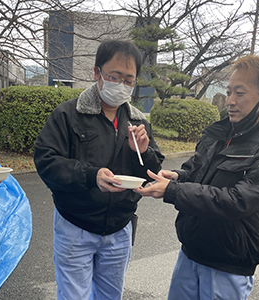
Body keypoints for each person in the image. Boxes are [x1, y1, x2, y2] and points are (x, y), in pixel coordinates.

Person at [135, 55, 259, 300]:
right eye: (229, 92)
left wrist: (172, 190)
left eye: (240, 94)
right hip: (190, 252)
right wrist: (177, 176)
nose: (230, 101)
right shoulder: (218, 133)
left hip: (229, 266)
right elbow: (196, 171)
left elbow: (239, 200)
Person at [34, 40, 164, 299]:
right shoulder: (68, 115)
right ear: (97, 73)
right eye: (114, 77)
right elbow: (47, 162)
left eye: (129, 80)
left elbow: (152, 171)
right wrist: (91, 175)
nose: (122, 85)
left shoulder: (138, 122)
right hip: (75, 227)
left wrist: (145, 150)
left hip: (119, 228)